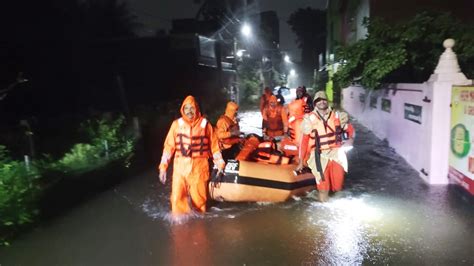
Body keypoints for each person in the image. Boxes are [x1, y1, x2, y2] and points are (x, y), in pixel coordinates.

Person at [158, 95, 225, 216]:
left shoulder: (206, 125)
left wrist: (220, 164)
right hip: (180, 168)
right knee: (177, 199)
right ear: (183, 110)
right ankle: (179, 226)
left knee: (199, 201)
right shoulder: (176, 125)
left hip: (199, 168)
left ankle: (199, 227)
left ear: (197, 109)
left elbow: (215, 147)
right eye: (186, 108)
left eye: (192, 108)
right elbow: (168, 148)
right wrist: (163, 167)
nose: (189, 111)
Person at [296, 91, 354, 202]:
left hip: (336, 153)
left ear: (327, 101)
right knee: (324, 188)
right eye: (318, 100)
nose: (321, 102)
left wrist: (350, 140)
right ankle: (322, 205)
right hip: (319, 155)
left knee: (338, 187)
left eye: (324, 99)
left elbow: (349, 130)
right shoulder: (309, 119)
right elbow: (304, 142)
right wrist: (300, 162)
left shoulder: (337, 116)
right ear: (314, 103)